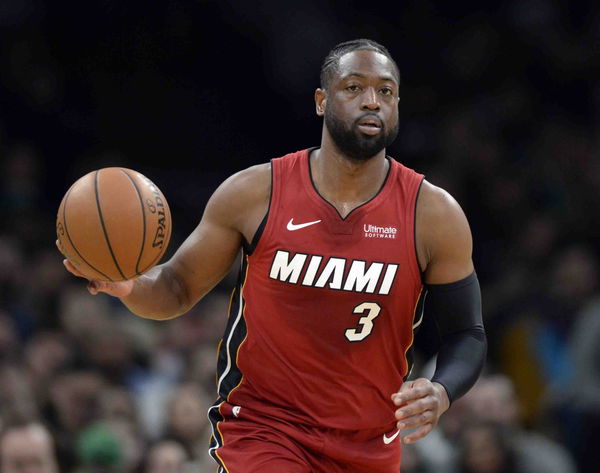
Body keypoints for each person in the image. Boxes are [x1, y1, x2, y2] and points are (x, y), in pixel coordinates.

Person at [59, 39, 487, 473]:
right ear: (321, 101)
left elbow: (467, 333)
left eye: (386, 91)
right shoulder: (255, 192)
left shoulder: (433, 214)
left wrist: (441, 390)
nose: (372, 101)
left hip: (369, 444)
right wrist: (131, 287)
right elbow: (176, 287)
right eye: (354, 87)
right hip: (263, 431)